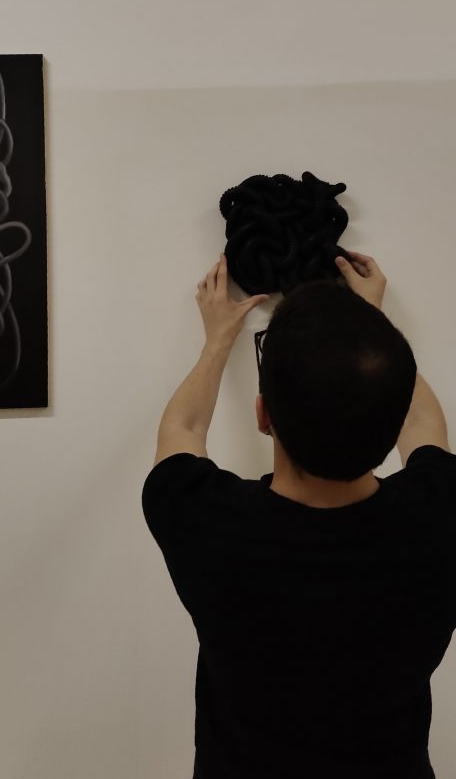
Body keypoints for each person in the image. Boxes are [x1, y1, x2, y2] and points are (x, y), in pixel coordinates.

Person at [142, 251, 452, 779]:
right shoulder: (439, 514)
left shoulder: (206, 521)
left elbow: (183, 430)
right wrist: (370, 322)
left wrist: (217, 339)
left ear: (263, 414)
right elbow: (425, 425)